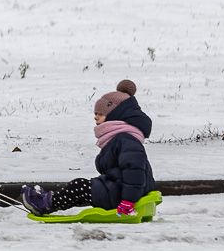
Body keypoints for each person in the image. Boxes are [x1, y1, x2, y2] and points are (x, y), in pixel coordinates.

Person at [21, 80, 156, 216]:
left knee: (79, 187)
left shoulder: (126, 140)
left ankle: (44, 204)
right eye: (95, 113)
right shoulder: (119, 139)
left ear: (114, 115)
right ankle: (47, 201)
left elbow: (135, 171)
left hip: (122, 194)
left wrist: (128, 201)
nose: (95, 117)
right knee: (81, 188)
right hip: (117, 189)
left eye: (100, 113)